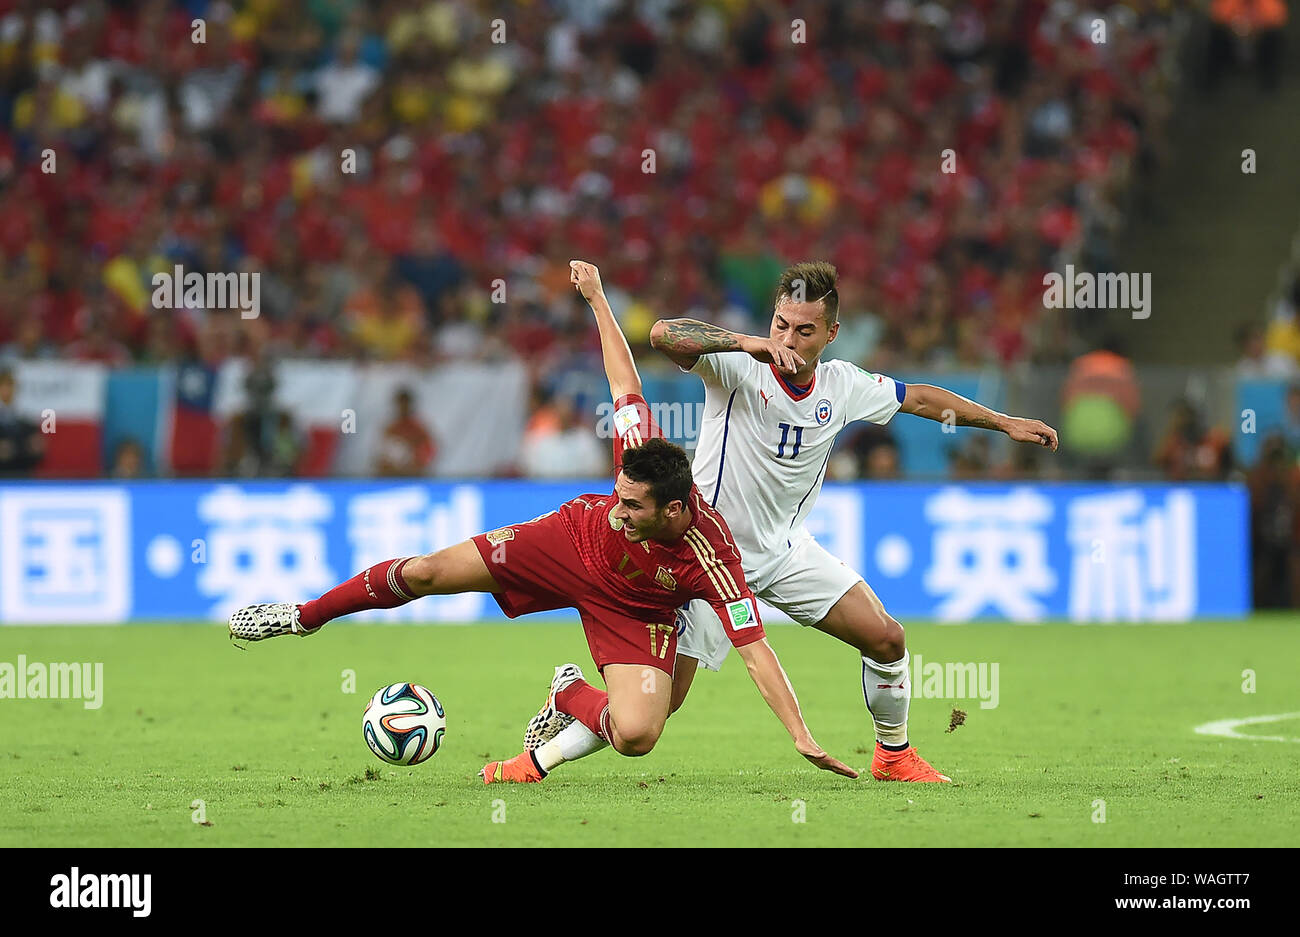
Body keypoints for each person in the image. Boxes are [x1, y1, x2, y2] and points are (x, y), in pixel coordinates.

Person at [229, 261, 856, 785]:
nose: (620, 505)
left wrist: (800, 735)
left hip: (634, 608)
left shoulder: (710, 554)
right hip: (564, 545)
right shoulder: (638, 457)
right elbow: (623, 378)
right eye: (619, 492)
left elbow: (755, 649)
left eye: (633, 506)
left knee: (639, 734)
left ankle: (567, 692)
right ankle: (301, 616)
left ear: (674, 510)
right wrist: (598, 298)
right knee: (424, 572)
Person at [525, 260, 1058, 784]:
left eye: (805, 330)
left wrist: (1003, 422)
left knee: (887, 638)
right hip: (704, 558)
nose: (789, 339)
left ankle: (893, 755)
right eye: (781, 324)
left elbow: (917, 397)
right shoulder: (737, 366)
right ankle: (567, 694)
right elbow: (665, 335)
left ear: (831, 333)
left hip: (784, 553)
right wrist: (745, 343)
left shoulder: (842, 385)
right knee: (658, 713)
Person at [0, 368, 44, 477]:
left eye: (11, 385)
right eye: (4, 385)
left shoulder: (24, 415)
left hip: (22, 474)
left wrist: (36, 447)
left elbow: (35, 448)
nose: (8, 390)